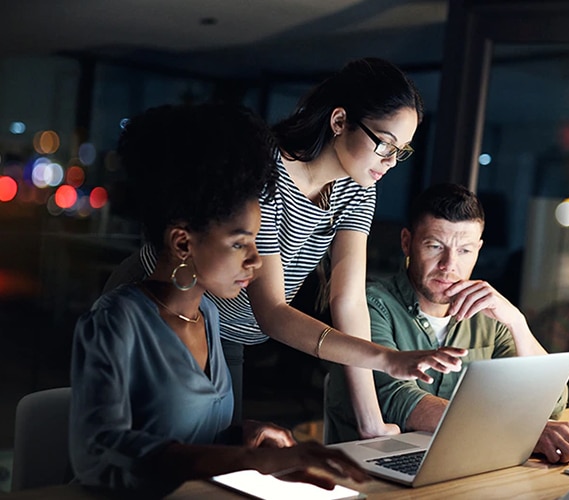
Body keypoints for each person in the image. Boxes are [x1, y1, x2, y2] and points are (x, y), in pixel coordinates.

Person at [105, 57, 465, 437]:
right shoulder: (264, 171)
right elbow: (272, 311)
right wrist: (386, 359)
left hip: (230, 330)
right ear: (340, 121)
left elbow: (349, 302)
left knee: (217, 450)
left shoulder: (359, 189)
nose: (392, 162)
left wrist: (370, 422)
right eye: (385, 144)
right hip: (167, 302)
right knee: (146, 444)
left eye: (402, 151)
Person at [69, 103, 369, 497]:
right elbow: (99, 452)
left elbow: (191, 431)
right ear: (182, 242)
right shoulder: (116, 321)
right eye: (239, 243)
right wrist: (247, 461)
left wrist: (246, 435)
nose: (256, 261)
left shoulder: (207, 315)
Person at [325, 183, 569, 464]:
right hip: (370, 471)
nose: (448, 264)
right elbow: (395, 399)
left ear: (478, 249)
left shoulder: (488, 314)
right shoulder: (370, 306)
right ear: (407, 242)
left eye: (464, 250)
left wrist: (517, 322)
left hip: (459, 465)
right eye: (435, 246)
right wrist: (513, 429)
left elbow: (552, 403)